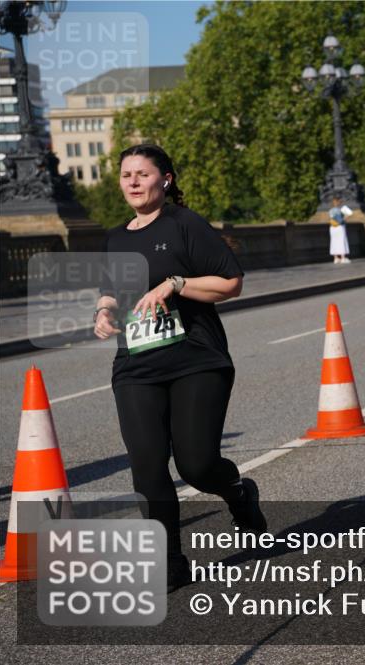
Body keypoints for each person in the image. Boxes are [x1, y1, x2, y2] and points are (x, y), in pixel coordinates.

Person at [93, 144, 266, 593]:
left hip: (196, 358)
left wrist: (175, 284)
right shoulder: (115, 238)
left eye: (142, 174)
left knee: (196, 464)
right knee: (147, 466)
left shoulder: (183, 224)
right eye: (125, 174)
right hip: (136, 365)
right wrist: (105, 311)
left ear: (165, 180)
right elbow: (111, 290)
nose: (132, 181)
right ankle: (169, 560)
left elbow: (231, 283)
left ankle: (237, 492)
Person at [329, 196, 351, 263]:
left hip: (332, 227)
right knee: (342, 241)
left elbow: (332, 218)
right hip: (340, 227)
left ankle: (335, 258)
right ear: (338, 202)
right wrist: (347, 217)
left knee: (334, 242)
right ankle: (343, 258)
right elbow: (341, 220)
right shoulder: (340, 210)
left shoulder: (330, 210)